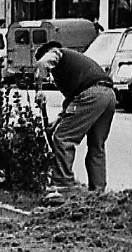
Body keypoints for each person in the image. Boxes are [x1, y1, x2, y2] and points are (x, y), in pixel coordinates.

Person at [34, 40, 116, 193]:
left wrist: (39, 89)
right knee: (96, 146)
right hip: (109, 95)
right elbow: (72, 102)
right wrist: (58, 121)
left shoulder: (57, 53)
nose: (50, 74)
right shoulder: (75, 68)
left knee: (62, 138)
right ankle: (97, 192)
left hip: (92, 95)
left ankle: (63, 185)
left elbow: (42, 63)